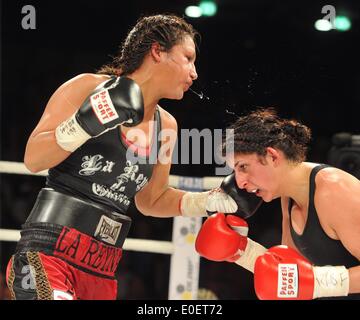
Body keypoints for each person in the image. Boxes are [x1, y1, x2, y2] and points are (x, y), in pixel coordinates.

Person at [6, 14, 261, 300]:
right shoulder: (89, 88)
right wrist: (83, 124)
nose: (194, 73)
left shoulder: (167, 126)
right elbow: (34, 158)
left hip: (102, 269)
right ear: (157, 51)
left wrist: (209, 201)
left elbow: (152, 200)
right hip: (48, 253)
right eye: (187, 58)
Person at [196, 108, 360, 300]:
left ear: (272, 156)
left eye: (243, 167)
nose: (239, 182)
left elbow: (309, 282)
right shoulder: (289, 197)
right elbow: (289, 274)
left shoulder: (333, 190)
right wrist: (241, 251)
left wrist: (318, 283)